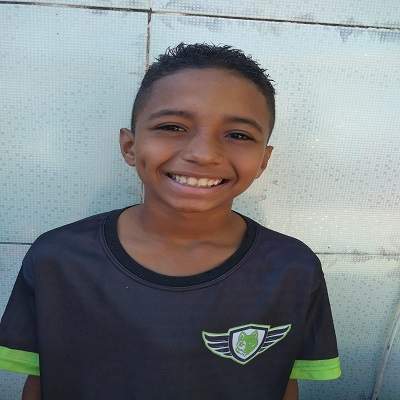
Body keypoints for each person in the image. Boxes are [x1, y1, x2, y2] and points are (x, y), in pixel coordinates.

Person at [0, 42, 341, 400]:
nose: (203, 154)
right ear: (130, 147)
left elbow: (283, 383)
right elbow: (39, 383)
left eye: (238, 135)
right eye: (173, 127)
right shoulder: (58, 259)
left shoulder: (293, 269)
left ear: (263, 161)